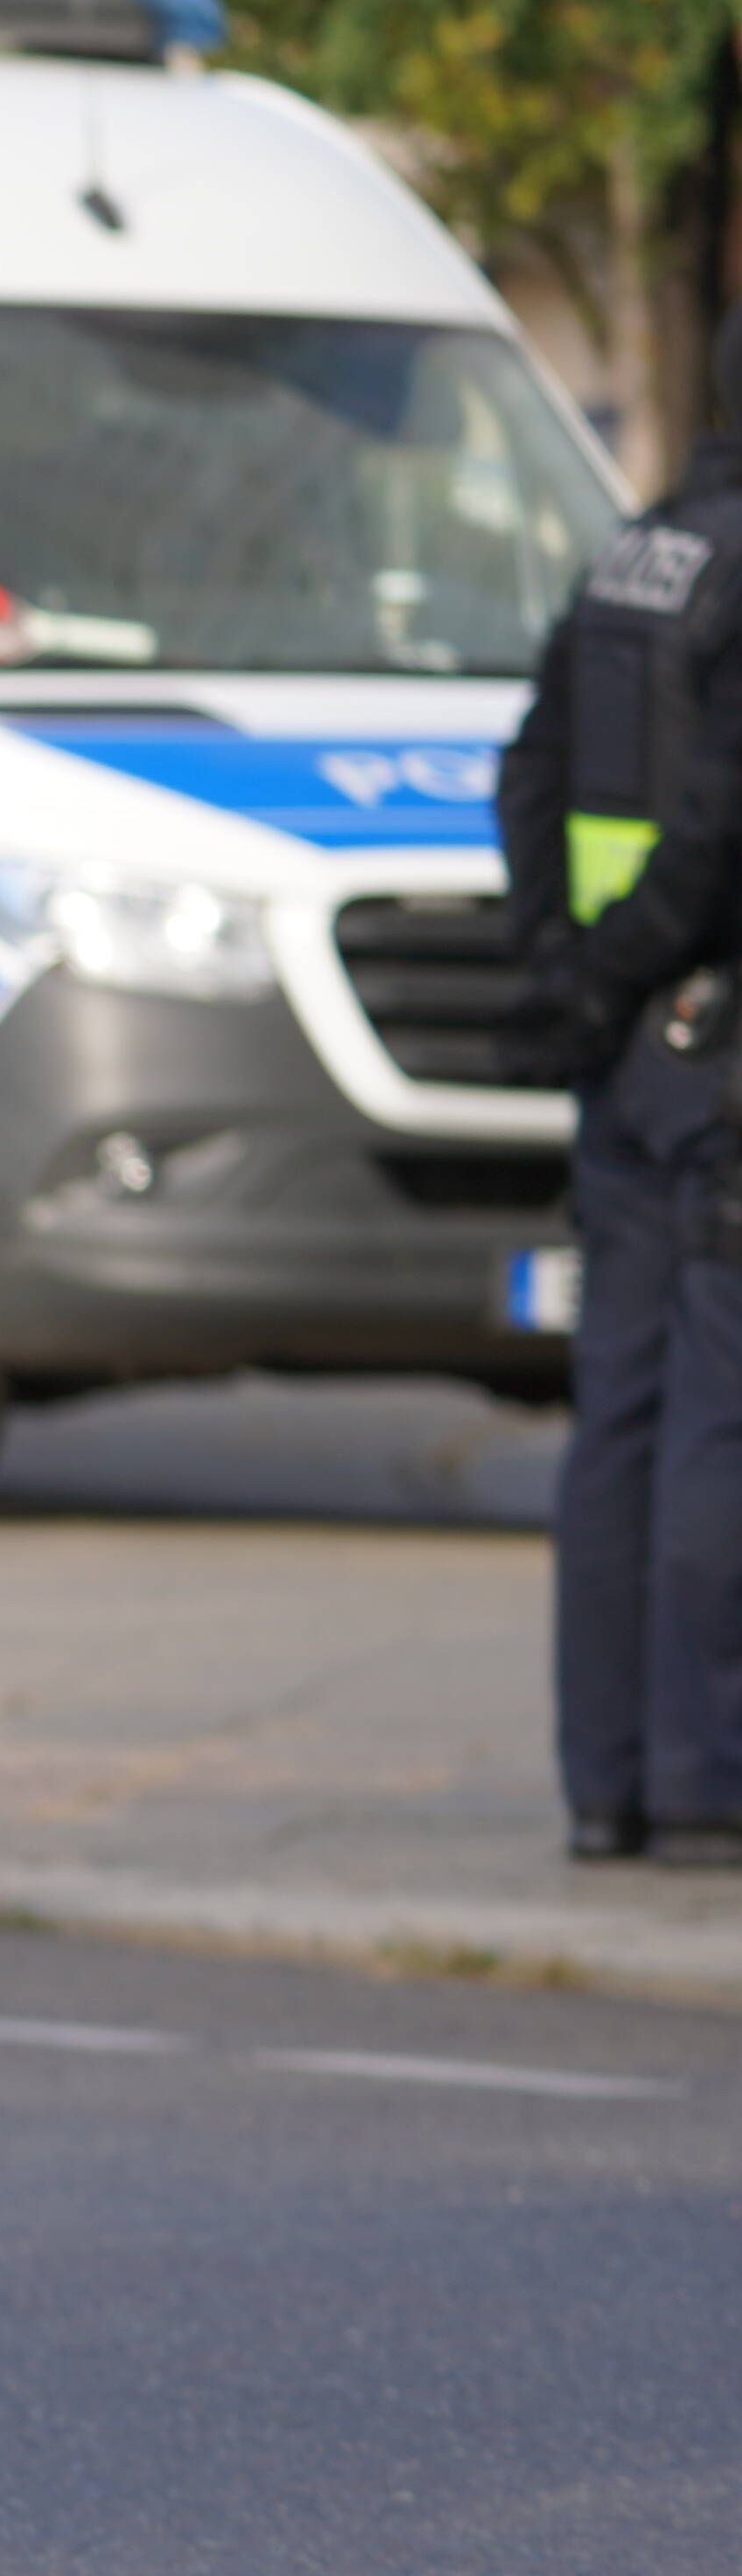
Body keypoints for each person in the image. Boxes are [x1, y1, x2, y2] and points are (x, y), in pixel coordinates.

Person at [502, 308, 742, 1871]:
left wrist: (571, 971)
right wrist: (643, 962)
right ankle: (708, 1769)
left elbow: (525, 771)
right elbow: (724, 828)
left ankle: (606, 1778)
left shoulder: (632, 555)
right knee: (720, 1419)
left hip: (624, 1051)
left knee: (620, 1417)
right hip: (718, 1051)